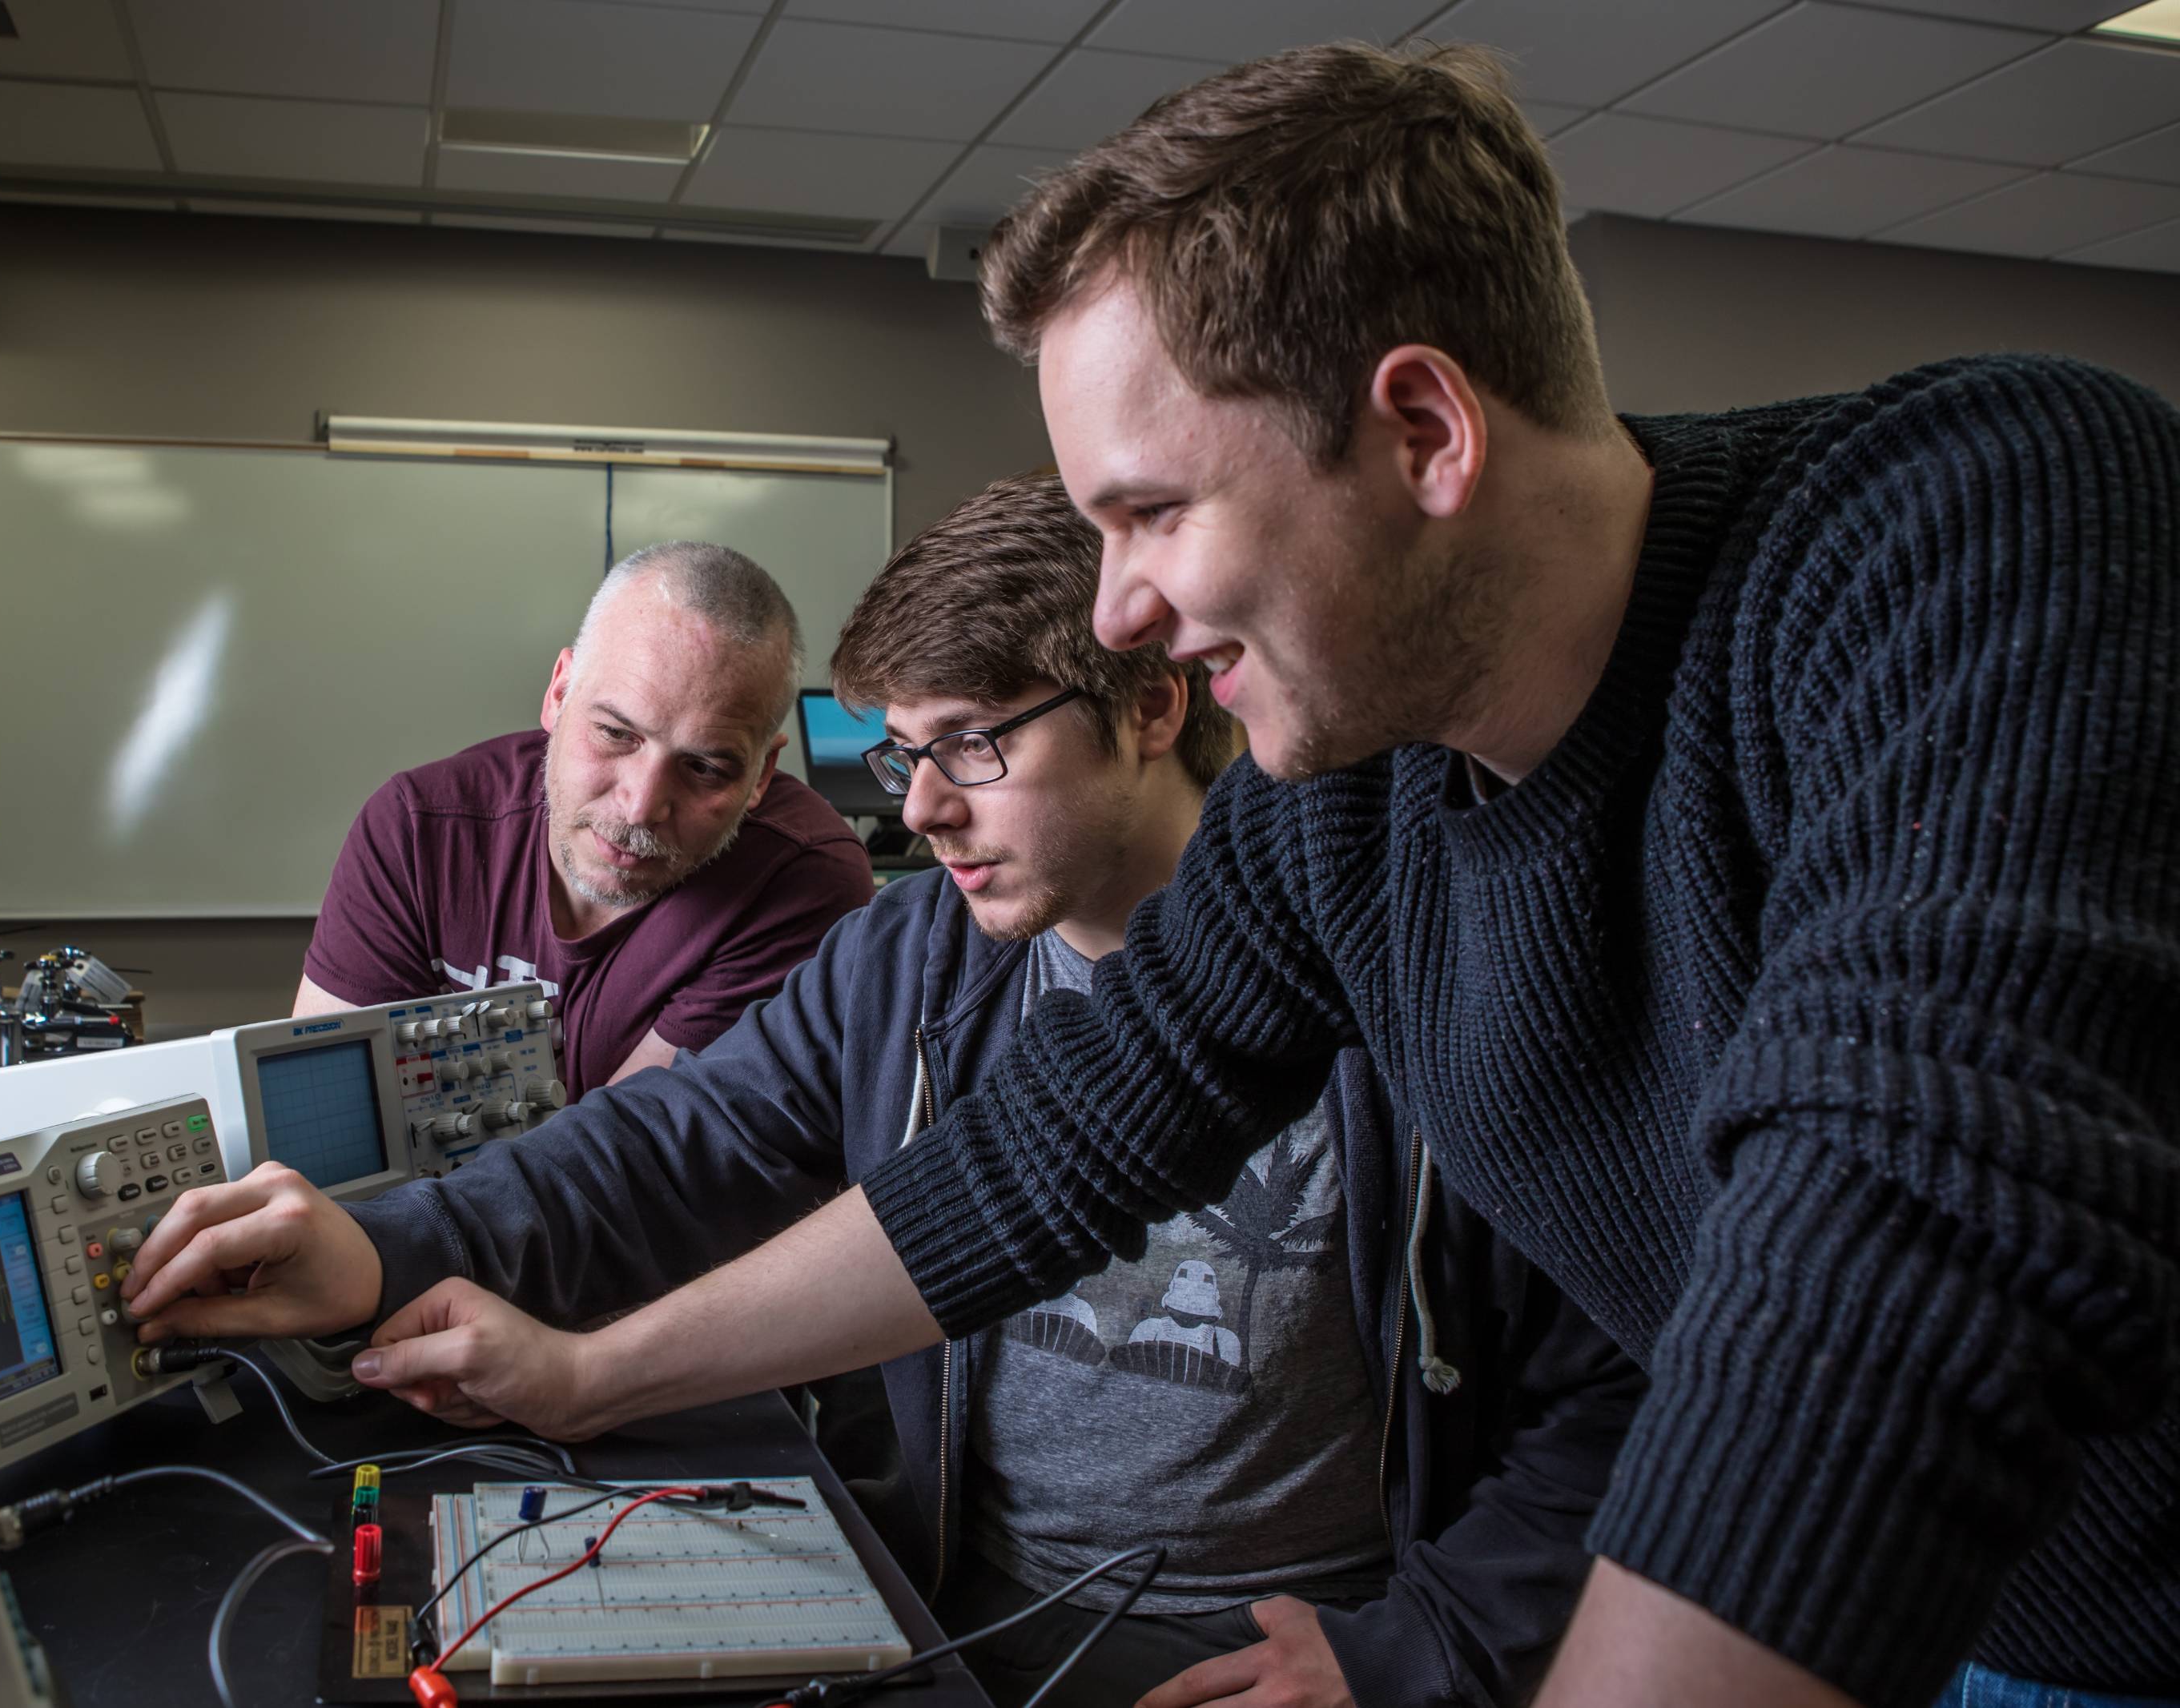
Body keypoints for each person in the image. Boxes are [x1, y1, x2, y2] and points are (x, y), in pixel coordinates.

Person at [137, 40, 2180, 1708]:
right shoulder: (1351, 786)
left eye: (1148, 514)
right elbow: (1034, 1161)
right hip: (1899, 1616)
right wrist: (503, 1315)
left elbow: (1887, 1248)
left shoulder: (1975, 519)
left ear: (1422, 430)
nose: (1117, 611)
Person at [125, 473, 1643, 1708]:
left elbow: (1624, 1392)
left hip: (1272, 1655)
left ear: (1157, 706)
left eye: (971, 745)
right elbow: (667, 1145)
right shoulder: (913, 956)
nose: (919, 810)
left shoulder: (1417, 974)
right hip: (942, 1606)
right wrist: (383, 1244)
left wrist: (1418, 1651)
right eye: (900, 754)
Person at [295, 540, 874, 1092]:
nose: (642, 806)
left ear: (762, 775)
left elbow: (622, 1164)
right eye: (616, 734)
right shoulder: (418, 831)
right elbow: (327, 1118)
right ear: (559, 693)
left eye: (702, 768)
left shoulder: (801, 880)